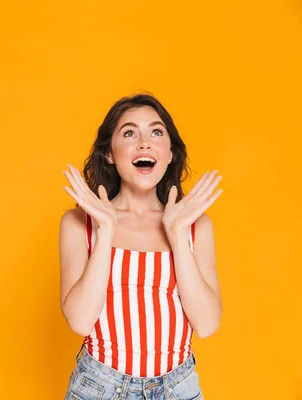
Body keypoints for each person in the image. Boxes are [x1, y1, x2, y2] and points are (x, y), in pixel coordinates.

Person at [60, 93, 222, 400]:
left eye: (156, 132)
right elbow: (80, 321)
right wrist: (106, 230)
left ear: (170, 152)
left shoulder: (195, 227)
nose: (144, 143)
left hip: (178, 388)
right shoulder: (79, 223)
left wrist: (176, 235)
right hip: (99, 388)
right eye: (130, 133)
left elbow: (207, 324)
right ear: (109, 153)